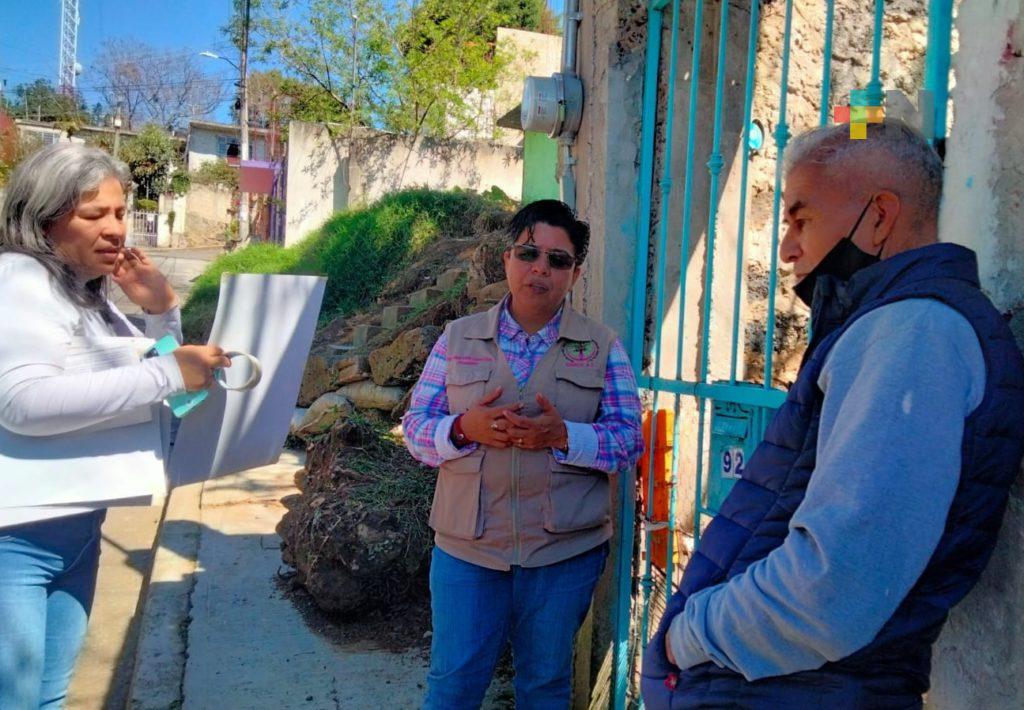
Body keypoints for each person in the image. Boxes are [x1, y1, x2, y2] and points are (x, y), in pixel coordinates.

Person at [641, 119, 1024, 708]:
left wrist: (691, 635)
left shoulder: (913, 334)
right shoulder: (891, 326)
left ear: (879, 217)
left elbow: (834, 587)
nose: (787, 248)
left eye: (802, 219)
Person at [0, 144, 230, 708]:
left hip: (74, 527)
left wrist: (162, 312)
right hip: (16, 540)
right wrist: (169, 372)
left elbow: (168, 401)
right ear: (43, 219)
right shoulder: (20, 277)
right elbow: (20, 401)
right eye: (93, 214)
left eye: (121, 212)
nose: (116, 229)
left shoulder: (85, 294)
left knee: (48, 695)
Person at [403, 199, 644, 709]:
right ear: (507, 259)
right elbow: (415, 428)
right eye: (528, 253)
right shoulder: (457, 338)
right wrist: (462, 429)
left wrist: (563, 437)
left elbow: (628, 440)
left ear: (575, 273)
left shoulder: (602, 346)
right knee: (452, 687)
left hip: (563, 555)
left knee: (545, 687)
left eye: (558, 260)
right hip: (468, 552)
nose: (540, 268)